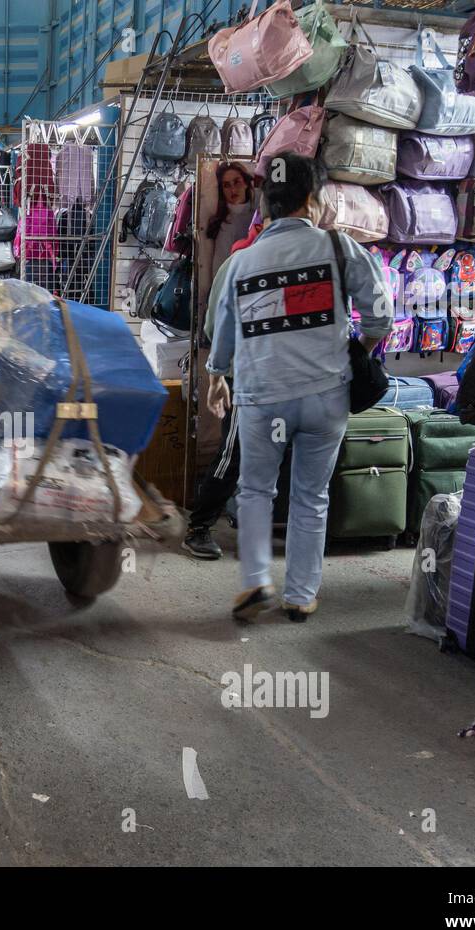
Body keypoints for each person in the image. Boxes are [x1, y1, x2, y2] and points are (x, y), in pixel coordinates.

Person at [206, 152, 391, 623]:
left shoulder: (241, 263)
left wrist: (216, 378)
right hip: (325, 395)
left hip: (262, 396)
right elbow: (381, 315)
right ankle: (300, 595)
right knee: (311, 495)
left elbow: (223, 334)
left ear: (265, 202)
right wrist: (359, 348)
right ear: (313, 198)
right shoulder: (338, 248)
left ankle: (254, 584)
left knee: (254, 492)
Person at [182, 213, 265, 561]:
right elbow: (216, 322)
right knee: (234, 454)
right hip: (244, 376)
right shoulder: (240, 262)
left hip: (281, 379)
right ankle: (199, 526)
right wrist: (218, 375)